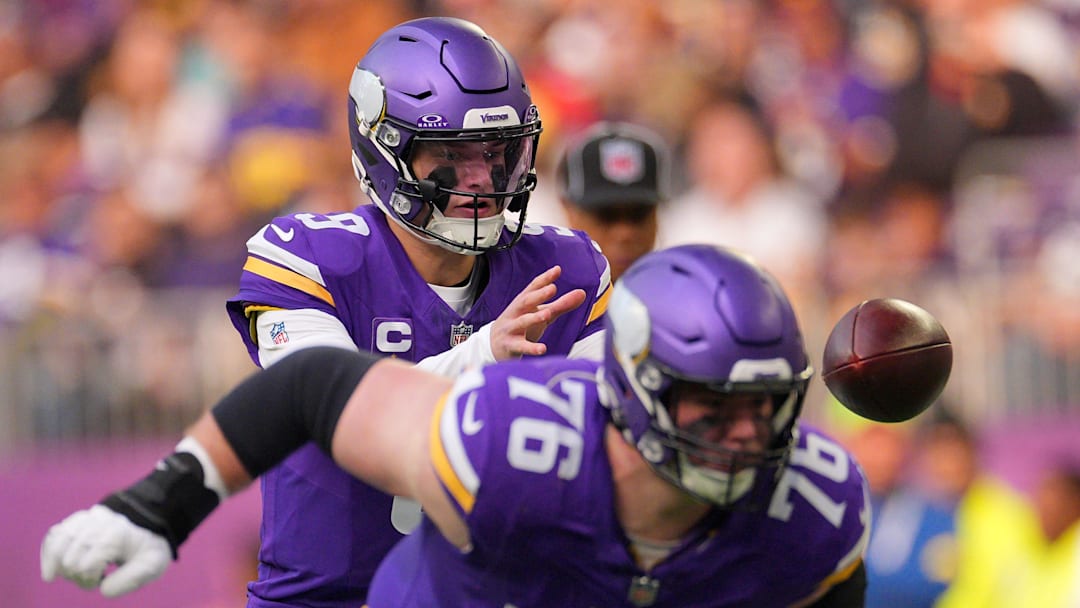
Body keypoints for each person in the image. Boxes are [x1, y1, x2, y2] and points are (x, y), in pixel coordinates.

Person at [42, 244, 871, 607]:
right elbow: (310, 387)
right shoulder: (511, 443)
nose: (742, 432)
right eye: (712, 405)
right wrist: (161, 505)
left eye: (762, 404)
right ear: (637, 385)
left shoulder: (814, 511)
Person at [218, 16, 612, 606]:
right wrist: (486, 358)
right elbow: (334, 410)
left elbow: (608, 454)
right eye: (451, 155)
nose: (480, 180)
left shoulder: (568, 271)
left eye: (498, 153)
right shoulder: (307, 259)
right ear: (382, 149)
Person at [553, 121, 670, 281]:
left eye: (639, 214)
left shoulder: (684, 292)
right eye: (606, 215)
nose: (625, 234)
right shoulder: (539, 292)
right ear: (568, 210)